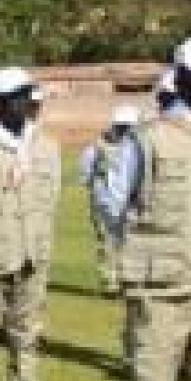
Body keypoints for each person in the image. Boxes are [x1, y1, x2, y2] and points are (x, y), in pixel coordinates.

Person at [96, 37, 191, 381]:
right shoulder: (149, 137)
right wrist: (139, 252)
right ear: (182, 80)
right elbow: (112, 203)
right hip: (163, 281)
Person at [0, 68, 62, 381]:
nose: (28, 105)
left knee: (27, 336)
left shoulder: (47, 147)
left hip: (33, 257)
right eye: (19, 98)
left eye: (30, 97)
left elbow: (50, 202)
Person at [79, 105, 140, 296]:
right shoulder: (99, 146)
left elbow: (85, 173)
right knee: (109, 243)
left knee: (124, 244)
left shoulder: (137, 146)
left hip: (121, 202)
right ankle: (111, 283)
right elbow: (86, 171)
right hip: (106, 203)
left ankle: (121, 282)